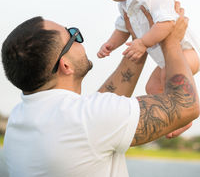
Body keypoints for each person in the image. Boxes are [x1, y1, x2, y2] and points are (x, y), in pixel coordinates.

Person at [1, 10, 199, 177]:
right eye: (73, 35)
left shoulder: (19, 120)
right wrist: (171, 42)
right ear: (66, 65)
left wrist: (142, 40)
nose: (79, 38)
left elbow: (95, 111)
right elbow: (185, 105)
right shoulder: (87, 120)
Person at [97, 0, 200, 137]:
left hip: (187, 52)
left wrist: (143, 43)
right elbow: (123, 28)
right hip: (165, 59)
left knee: (166, 78)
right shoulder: (126, 3)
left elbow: (167, 23)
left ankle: (186, 113)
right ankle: (172, 118)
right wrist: (110, 45)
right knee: (152, 87)